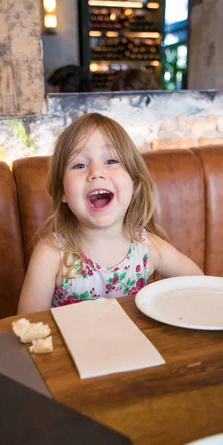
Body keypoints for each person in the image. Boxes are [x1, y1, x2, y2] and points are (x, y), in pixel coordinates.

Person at [18, 113, 202, 314]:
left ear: (134, 182)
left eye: (112, 161)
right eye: (79, 165)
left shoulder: (147, 248)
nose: (96, 172)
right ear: (62, 192)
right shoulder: (51, 254)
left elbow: (199, 284)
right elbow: (30, 327)